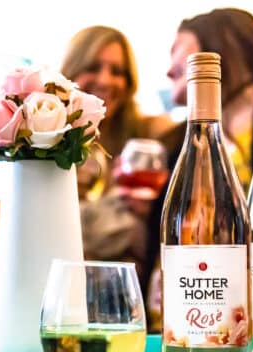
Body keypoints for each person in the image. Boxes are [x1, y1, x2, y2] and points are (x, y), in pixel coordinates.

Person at [144, 8, 253, 330]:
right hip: (214, 313)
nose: (170, 68)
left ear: (221, 43)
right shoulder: (178, 143)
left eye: (178, 49)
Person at [61, 25, 175, 278]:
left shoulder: (149, 132)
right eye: (92, 67)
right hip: (65, 279)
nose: (105, 80)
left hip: (128, 286)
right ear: (69, 71)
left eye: (117, 71)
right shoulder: (49, 140)